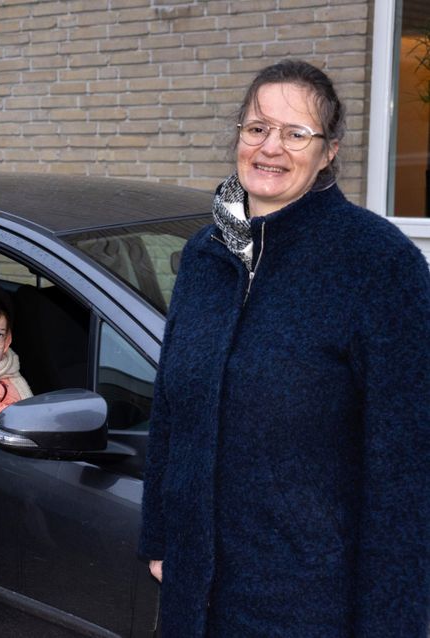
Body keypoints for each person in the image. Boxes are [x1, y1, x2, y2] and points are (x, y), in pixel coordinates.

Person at [138, 59, 430, 637]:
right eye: (257, 128)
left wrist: (393, 623)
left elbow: (406, 467)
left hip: (308, 601)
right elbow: (172, 412)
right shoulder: (205, 254)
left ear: (329, 152)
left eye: (296, 133)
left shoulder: (378, 265)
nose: (270, 147)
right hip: (196, 592)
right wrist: (161, 538)